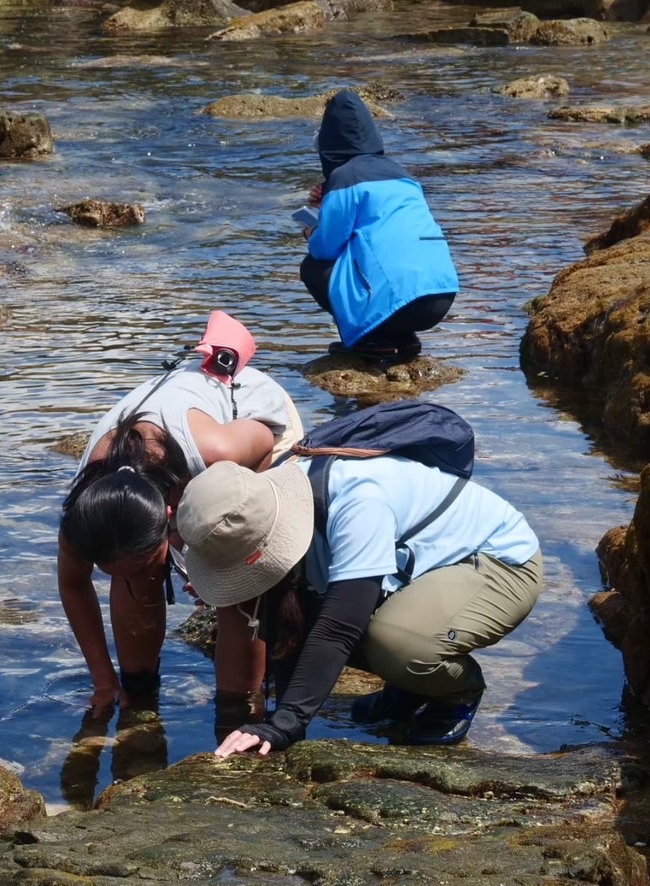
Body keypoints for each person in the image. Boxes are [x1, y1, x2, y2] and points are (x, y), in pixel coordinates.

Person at [175, 454, 541, 758]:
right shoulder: (257, 503)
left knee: (397, 643)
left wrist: (286, 723)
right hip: (421, 571)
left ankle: (455, 693)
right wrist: (276, 728)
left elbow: (339, 628)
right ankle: (409, 689)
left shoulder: (357, 503)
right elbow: (292, 624)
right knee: (317, 615)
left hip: (496, 562)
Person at [58, 311, 304, 720]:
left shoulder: (216, 450)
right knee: (136, 573)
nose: (136, 577)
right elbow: (73, 586)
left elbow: (262, 443)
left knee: (237, 574)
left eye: (166, 535)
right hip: (170, 479)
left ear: (169, 515)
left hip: (258, 429)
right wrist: (104, 680)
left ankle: (239, 712)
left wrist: (211, 554)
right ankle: (139, 697)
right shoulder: (86, 512)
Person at [299, 89, 460, 362]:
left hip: (404, 301)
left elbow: (327, 248)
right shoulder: (401, 173)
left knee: (313, 268)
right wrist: (328, 199)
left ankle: (371, 340)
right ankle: (404, 338)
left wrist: (311, 231)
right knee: (377, 259)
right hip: (441, 293)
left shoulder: (345, 176)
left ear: (329, 144)